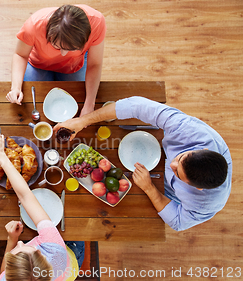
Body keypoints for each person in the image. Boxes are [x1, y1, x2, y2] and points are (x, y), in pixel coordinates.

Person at [54, 96, 232, 231]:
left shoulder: (206, 203)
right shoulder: (188, 129)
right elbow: (137, 106)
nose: (171, 165)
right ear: (202, 150)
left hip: (162, 191)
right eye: (180, 158)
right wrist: (82, 121)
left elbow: (178, 222)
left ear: (197, 188)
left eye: (178, 174)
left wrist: (149, 188)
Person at [0, 132, 76, 281]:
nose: (22, 242)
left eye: (17, 249)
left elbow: (4, 272)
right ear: (42, 256)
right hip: (68, 266)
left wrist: (12, 240)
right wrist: (0, 155)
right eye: (31, 249)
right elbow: (25, 196)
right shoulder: (55, 250)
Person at [6, 4, 106, 117]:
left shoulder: (97, 22)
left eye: (71, 49)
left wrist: (89, 104)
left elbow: (95, 64)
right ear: (49, 32)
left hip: (74, 66)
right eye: (57, 47)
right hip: (38, 65)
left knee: (78, 96)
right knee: (36, 97)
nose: (63, 54)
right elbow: (20, 55)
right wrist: (15, 88)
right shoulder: (34, 25)